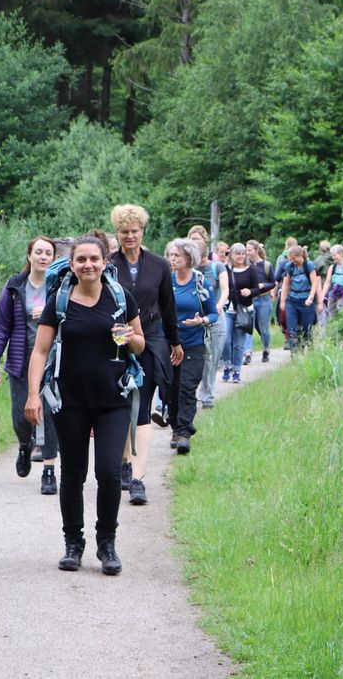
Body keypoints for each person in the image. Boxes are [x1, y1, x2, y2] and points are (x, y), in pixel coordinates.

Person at [25, 235, 144, 576]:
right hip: (70, 400)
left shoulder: (122, 299)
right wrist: (34, 395)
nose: (88, 265)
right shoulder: (60, 301)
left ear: (105, 262)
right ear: (72, 264)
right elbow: (40, 351)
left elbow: (139, 345)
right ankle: (73, 544)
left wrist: (128, 338)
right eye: (81, 260)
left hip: (113, 400)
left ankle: (107, 542)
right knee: (72, 475)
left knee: (108, 472)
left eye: (94, 259)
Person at [108, 204, 182, 507]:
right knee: (123, 404)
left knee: (141, 406)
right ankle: (125, 461)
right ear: (117, 233)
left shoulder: (159, 265)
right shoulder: (108, 265)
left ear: (142, 232)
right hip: (115, 342)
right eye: (124, 232)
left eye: (134, 231)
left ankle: (137, 478)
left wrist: (174, 342)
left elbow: (168, 306)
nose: (129, 236)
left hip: (151, 339)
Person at [0, 235, 59, 496]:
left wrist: (52, 316)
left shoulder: (60, 286)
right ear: (29, 256)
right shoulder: (15, 286)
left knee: (50, 415)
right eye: (38, 252)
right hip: (21, 359)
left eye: (48, 253)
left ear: (53, 258)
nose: (43, 257)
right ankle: (24, 444)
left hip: (52, 360)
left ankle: (49, 471)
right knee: (21, 417)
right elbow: (0, 326)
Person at [166, 238, 217, 455]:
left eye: (176, 255)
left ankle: (184, 433)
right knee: (171, 389)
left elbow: (213, 313)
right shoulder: (166, 282)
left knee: (187, 387)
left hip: (194, 343)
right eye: (170, 255)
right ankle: (176, 428)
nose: (172, 259)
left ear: (189, 258)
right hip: (169, 343)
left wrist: (201, 321)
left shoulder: (201, 283)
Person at [222, 243, 271, 382]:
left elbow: (257, 289)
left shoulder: (251, 270)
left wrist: (250, 291)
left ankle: (236, 370)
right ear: (232, 255)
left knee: (239, 343)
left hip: (244, 310)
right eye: (238, 253)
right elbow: (223, 288)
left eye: (243, 254)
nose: (241, 256)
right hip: (229, 309)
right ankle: (227, 365)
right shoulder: (226, 269)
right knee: (226, 340)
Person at [191, 229, 228, 409]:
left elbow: (225, 289)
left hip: (216, 317)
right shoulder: (189, 269)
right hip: (195, 319)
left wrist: (219, 304)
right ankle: (193, 390)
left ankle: (207, 394)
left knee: (212, 357)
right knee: (199, 356)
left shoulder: (217, 267)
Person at [279, 245, 322, 349]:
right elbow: (286, 284)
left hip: (306, 300)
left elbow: (315, 283)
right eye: (290, 259)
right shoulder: (290, 266)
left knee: (307, 330)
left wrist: (311, 298)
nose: (292, 261)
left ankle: (309, 351)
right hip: (292, 300)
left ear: (300, 256)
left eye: (294, 258)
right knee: (292, 329)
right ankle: (295, 352)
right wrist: (282, 301)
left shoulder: (309, 265)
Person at [247, 240, 274, 363]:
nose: (247, 253)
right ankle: (247, 352)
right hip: (250, 299)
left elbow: (273, 283)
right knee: (248, 327)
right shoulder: (246, 265)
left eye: (249, 250)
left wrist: (263, 285)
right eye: (246, 250)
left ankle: (265, 349)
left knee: (263, 328)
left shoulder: (266, 265)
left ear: (256, 250)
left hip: (264, 299)